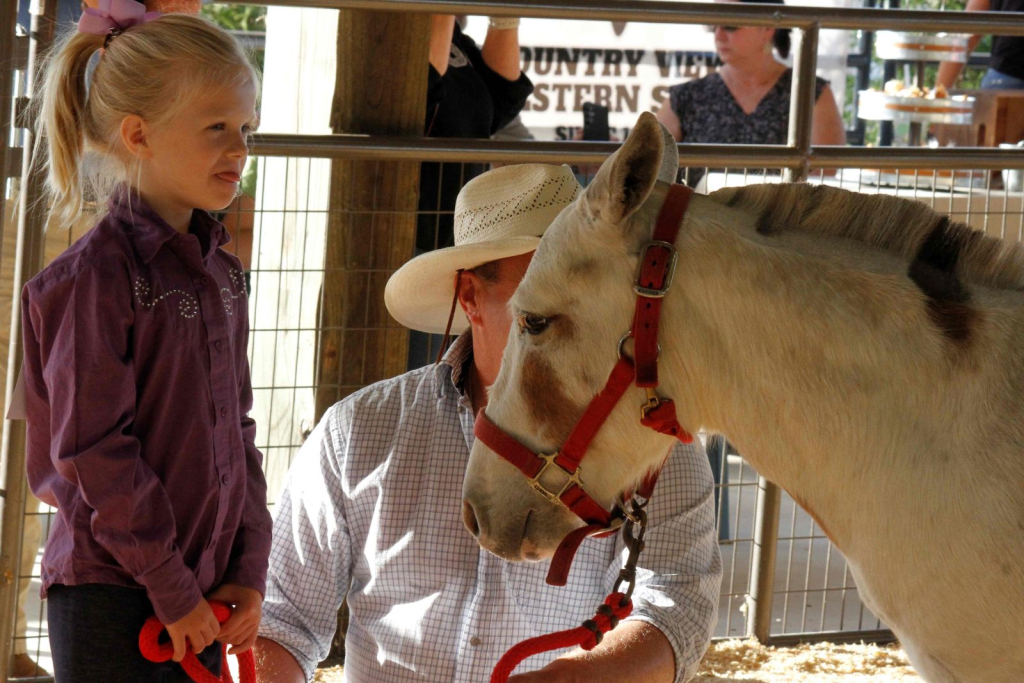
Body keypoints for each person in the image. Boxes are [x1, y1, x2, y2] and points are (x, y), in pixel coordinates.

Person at [254, 164, 722, 683]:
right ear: (470, 298)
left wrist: (571, 679)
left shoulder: (654, 444)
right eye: (538, 313)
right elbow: (280, 622)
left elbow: (676, 610)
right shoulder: (354, 433)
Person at [20, 3, 272, 680]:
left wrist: (248, 566)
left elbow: (238, 432)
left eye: (244, 127)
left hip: (201, 599)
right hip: (115, 598)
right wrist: (173, 586)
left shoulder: (222, 271)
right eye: (216, 127)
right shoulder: (94, 280)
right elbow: (94, 449)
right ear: (139, 133)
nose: (239, 148)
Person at [410, 14, 534, 367]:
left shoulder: (456, 39)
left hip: (460, 246)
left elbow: (503, 97)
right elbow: (422, 89)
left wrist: (504, 16)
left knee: (453, 377)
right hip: (413, 242)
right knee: (420, 377)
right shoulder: (406, 29)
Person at [656, 0, 846, 187]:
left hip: (778, 216)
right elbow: (651, 169)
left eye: (730, 26)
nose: (718, 35)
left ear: (767, 28)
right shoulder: (684, 98)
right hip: (694, 217)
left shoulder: (811, 94)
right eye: (712, 25)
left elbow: (824, 174)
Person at [936, 0, 1024, 91]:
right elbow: (968, 27)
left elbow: (968, 27)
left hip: (1004, 75)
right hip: (1007, 74)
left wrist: (939, 91)